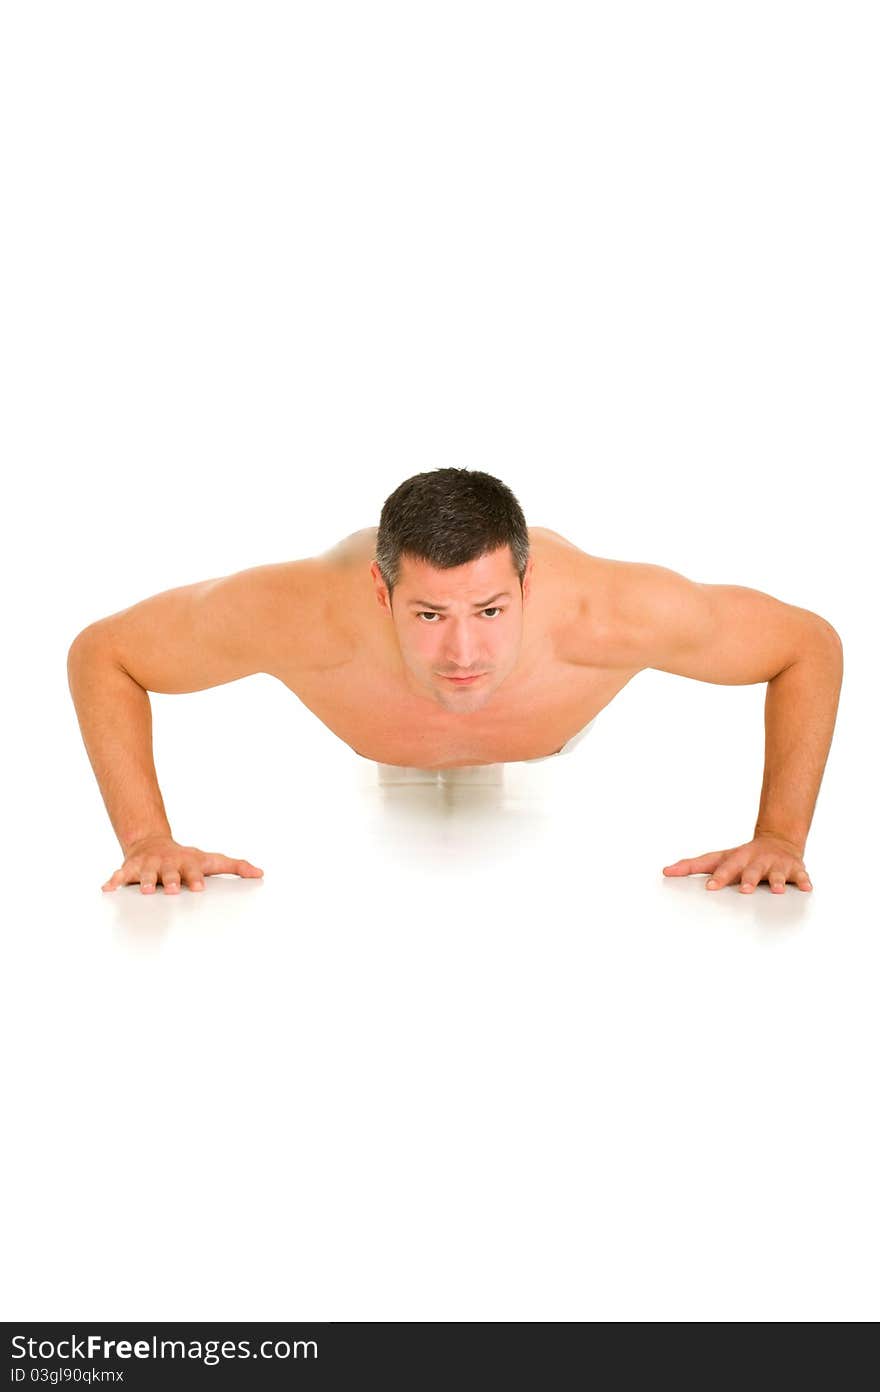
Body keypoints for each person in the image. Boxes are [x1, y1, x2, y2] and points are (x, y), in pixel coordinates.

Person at [67, 468, 842, 898]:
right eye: (430, 613)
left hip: (549, 737)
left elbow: (807, 645)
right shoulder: (295, 612)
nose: (463, 650)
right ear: (383, 593)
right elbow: (105, 653)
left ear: (529, 585)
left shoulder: (615, 613)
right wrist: (147, 839)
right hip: (379, 730)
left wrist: (780, 835)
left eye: (492, 608)